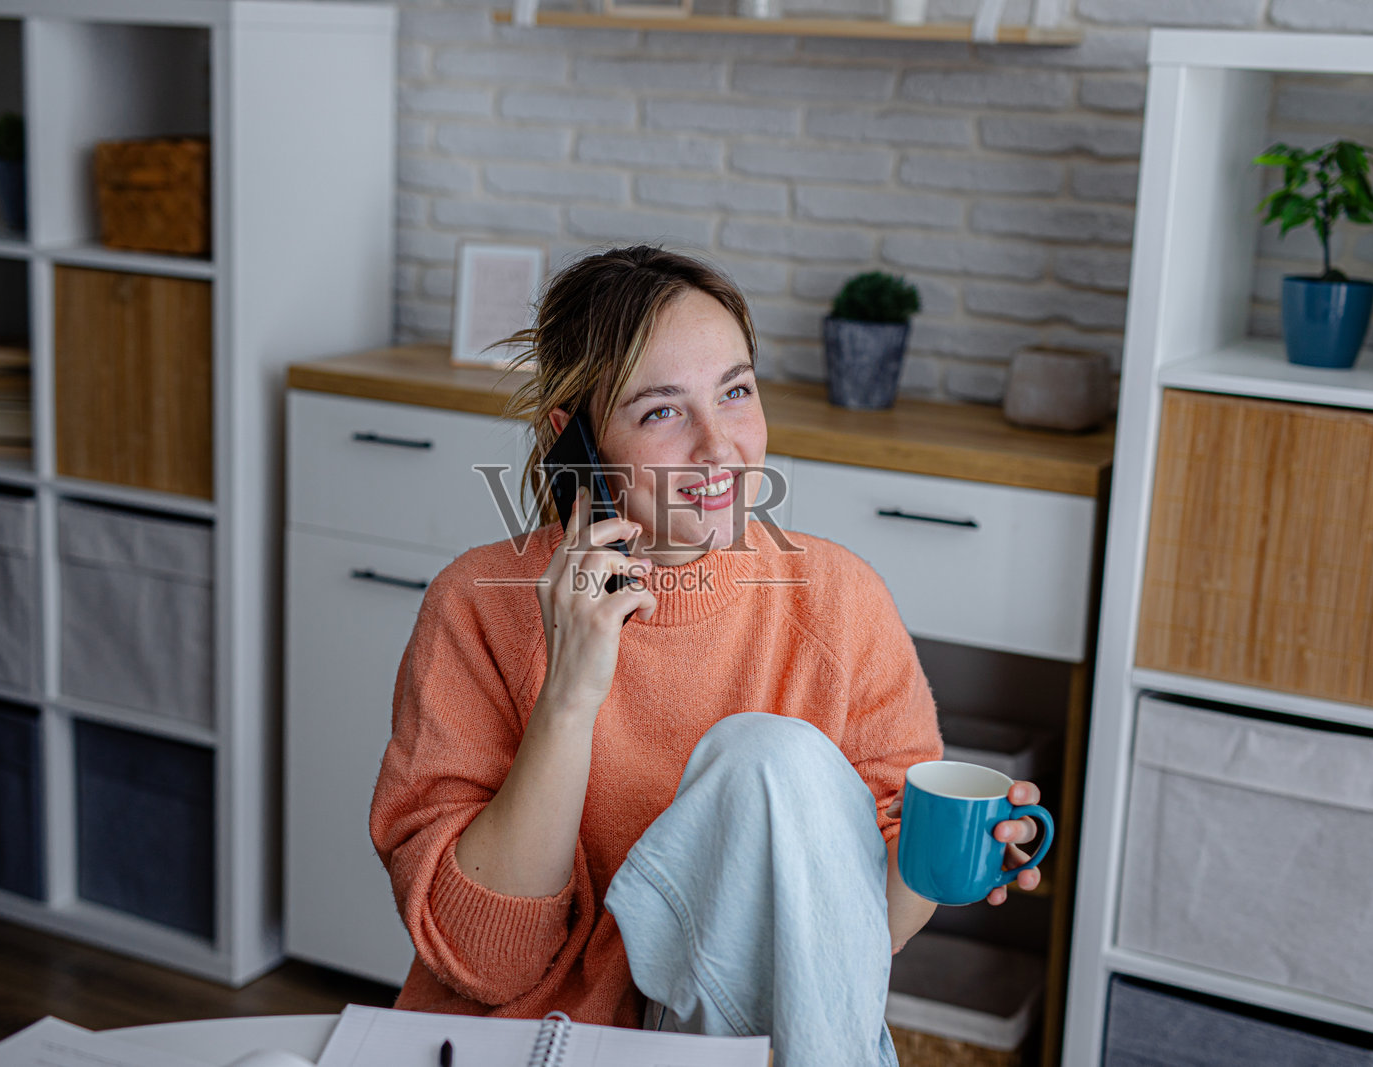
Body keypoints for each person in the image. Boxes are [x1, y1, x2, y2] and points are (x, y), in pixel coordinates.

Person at [368, 245, 1044, 1067]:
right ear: (575, 440)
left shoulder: (840, 599)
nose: (720, 448)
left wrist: (948, 859)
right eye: (661, 412)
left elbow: (842, 955)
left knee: (773, 757)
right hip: (534, 1041)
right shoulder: (475, 604)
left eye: (735, 390)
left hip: (747, 1044)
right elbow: (486, 963)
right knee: (772, 754)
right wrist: (569, 696)